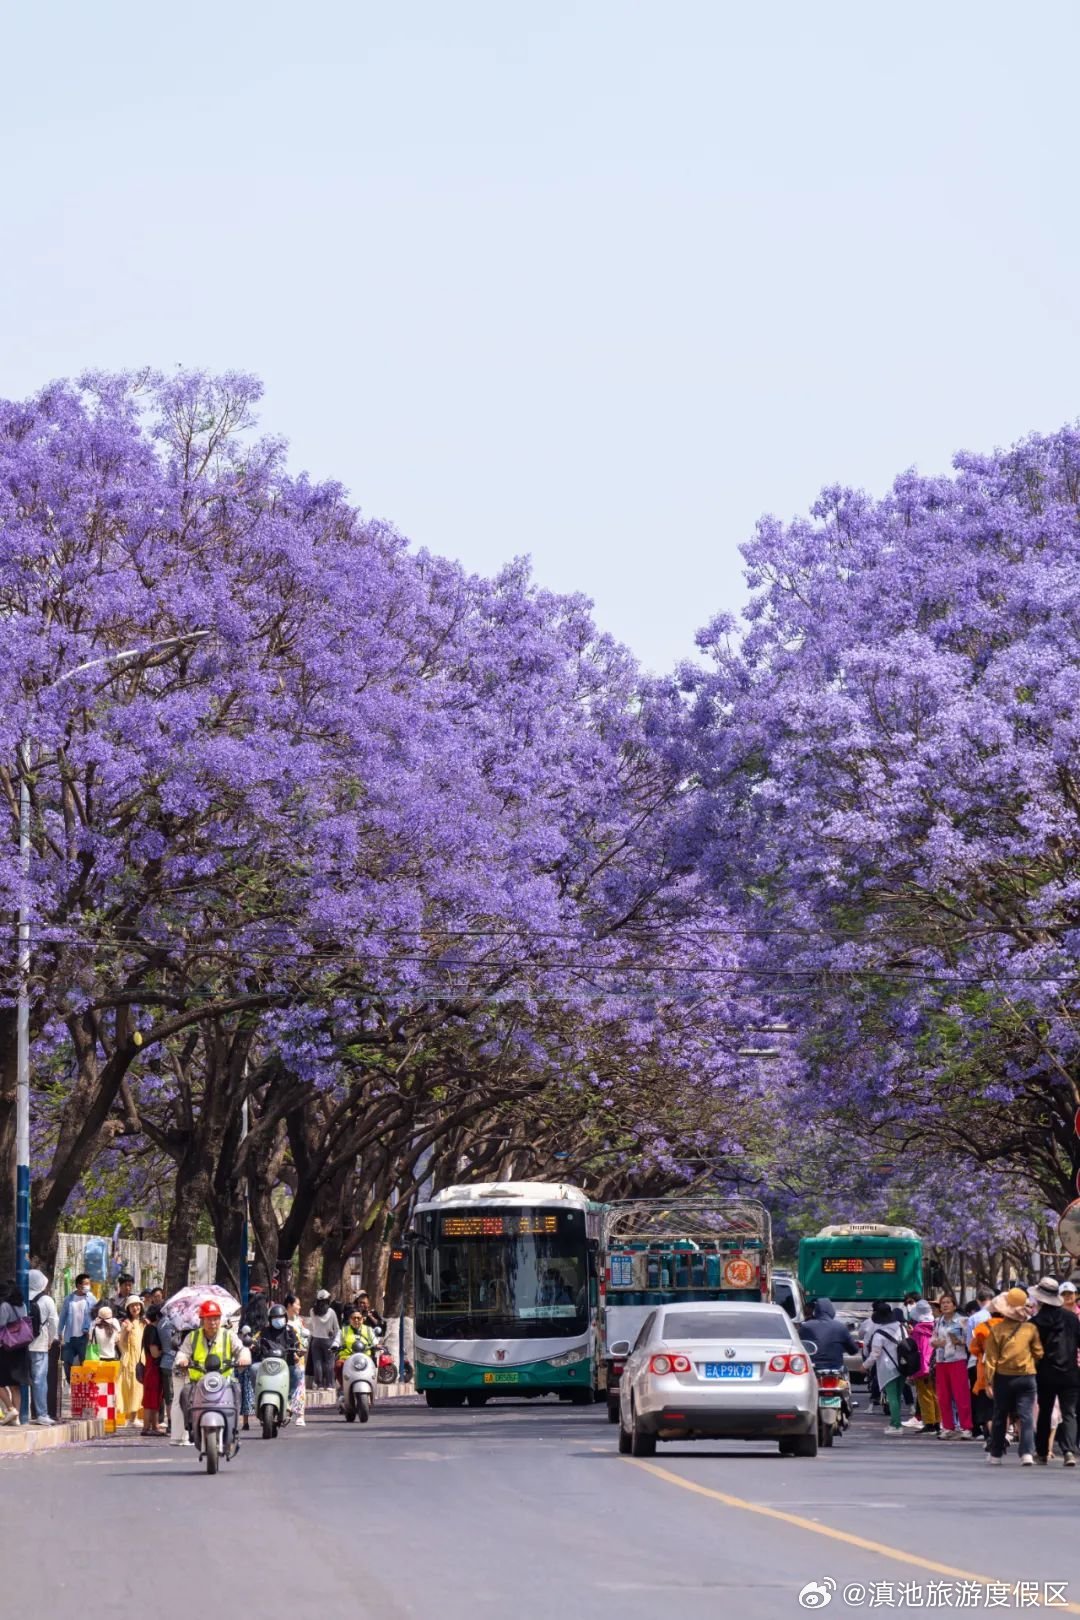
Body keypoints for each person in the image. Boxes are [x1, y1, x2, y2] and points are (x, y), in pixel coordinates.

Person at [173, 1300, 248, 1444]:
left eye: (216, 1318)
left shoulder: (228, 1335)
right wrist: (182, 1360)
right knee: (184, 1393)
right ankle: (191, 1427)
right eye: (209, 1318)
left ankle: (233, 1427)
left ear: (220, 1319)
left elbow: (241, 1349)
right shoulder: (192, 1337)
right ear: (202, 1320)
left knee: (237, 1389)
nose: (212, 1322)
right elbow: (183, 1352)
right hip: (198, 1382)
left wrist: (243, 1358)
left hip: (224, 1381)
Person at [984, 1287, 1043, 1465]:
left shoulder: (996, 1330)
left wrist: (988, 1381)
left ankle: (996, 1454)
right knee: (1026, 1416)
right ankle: (1026, 1453)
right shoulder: (1031, 1328)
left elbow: (991, 1358)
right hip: (1027, 1376)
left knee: (1000, 1415)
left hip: (1003, 1377)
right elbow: (1039, 1352)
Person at [1029, 1277, 1080, 1467]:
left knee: (1045, 1411)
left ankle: (1042, 1452)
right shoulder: (1071, 1318)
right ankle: (1069, 1451)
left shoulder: (1036, 1322)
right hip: (1070, 1372)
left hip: (1045, 1372)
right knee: (1069, 1412)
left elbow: (1032, 1349)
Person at [931, 1292, 973, 1439]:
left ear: (954, 1305)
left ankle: (966, 1427)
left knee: (961, 1395)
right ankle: (948, 1427)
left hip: (957, 1360)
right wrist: (935, 1343)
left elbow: (970, 1342)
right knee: (943, 1396)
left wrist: (960, 1342)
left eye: (948, 1302)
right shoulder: (937, 1321)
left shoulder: (963, 1321)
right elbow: (932, 1339)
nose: (945, 1305)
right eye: (943, 1303)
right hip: (941, 1362)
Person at [863, 1301, 906, 1434]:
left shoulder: (879, 1333)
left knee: (892, 1396)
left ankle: (896, 1425)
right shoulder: (901, 1327)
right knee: (897, 1396)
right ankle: (895, 1422)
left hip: (888, 1368)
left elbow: (875, 1354)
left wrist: (865, 1366)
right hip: (903, 1366)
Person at [24, 1268, 59, 1427]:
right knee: (40, 1380)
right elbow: (53, 1322)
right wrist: (51, 1339)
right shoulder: (47, 1300)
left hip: (21, 1345)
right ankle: (41, 1414)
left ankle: (20, 1411)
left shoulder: (22, 1298)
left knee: (21, 1379)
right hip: (40, 1344)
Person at [900, 1300, 940, 1433]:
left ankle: (929, 1423)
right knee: (935, 1394)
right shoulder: (936, 1325)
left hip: (922, 1366)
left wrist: (921, 1368)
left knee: (924, 1395)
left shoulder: (919, 1330)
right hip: (935, 1364)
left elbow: (921, 1350)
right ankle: (938, 1422)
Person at [0, 1280, 31, 1425]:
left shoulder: (5, 1306)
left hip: (7, 1347)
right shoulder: (23, 1305)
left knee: (1, 1382)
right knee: (15, 1385)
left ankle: (11, 1408)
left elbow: (1, 1324)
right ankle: (16, 1418)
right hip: (20, 1347)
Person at [798, 1298, 857, 1370]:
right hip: (835, 1369)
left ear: (816, 1311)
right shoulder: (841, 1327)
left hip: (813, 1369)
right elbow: (853, 1350)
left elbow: (798, 1347)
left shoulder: (806, 1326)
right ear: (831, 1310)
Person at [58, 1272, 96, 1382]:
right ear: (79, 1285)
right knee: (67, 1362)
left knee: (85, 1363)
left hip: (84, 1337)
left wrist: (92, 1331)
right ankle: (72, 1384)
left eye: (89, 1283)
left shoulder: (91, 1299)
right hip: (69, 1337)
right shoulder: (69, 1299)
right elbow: (63, 1316)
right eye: (86, 1284)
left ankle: (85, 1387)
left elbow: (95, 1316)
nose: (88, 1286)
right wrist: (59, 1331)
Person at [117, 1298, 146, 1428]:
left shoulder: (143, 1323)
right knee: (131, 1387)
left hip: (142, 1359)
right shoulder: (125, 1324)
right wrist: (125, 1332)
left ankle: (134, 1417)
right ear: (128, 1309)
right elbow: (119, 1342)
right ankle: (131, 1417)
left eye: (137, 1306)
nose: (135, 1308)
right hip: (130, 1360)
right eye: (132, 1306)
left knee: (139, 1388)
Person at [284, 1293, 308, 1426]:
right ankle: (285, 1409)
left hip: (298, 1359)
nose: (299, 1306)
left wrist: (301, 1351)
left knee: (300, 1385)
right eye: (297, 1304)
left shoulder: (299, 1321)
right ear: (289, 1305)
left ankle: (300, 1414)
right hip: (283, 1359)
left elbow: (304, 1338)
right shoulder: (281, 1321)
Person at [308, 1290, 340, 1390]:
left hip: (315, 1339)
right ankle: (329, 1384)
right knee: (329, 1362)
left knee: (317, 1362)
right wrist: (335, 1338)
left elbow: (312, 1326)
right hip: (328, 1340)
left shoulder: (312, 1311)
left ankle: (319, 1384)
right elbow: (337, 1328)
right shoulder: (331, 1312)